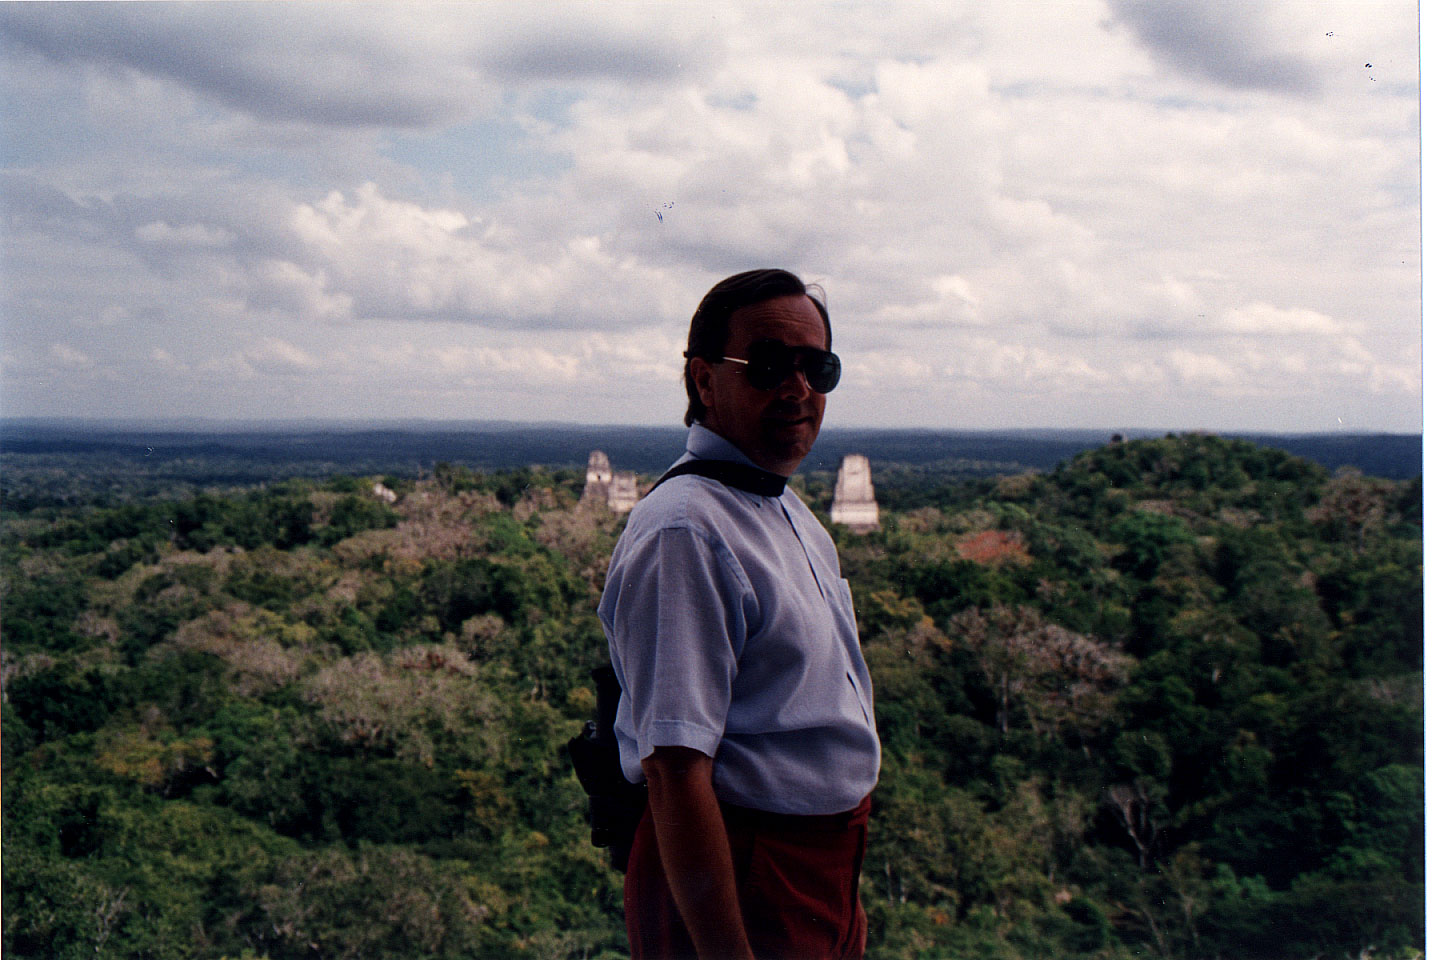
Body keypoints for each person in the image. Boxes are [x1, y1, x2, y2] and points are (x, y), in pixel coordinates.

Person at [598, 269, 882, 960]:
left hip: (815, 871)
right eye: (768, 365)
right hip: (742, 871)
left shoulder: (784, 510)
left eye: (818, 368)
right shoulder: (687, 529)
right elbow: (675, 766)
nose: (798, 388)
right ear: (703, 382)